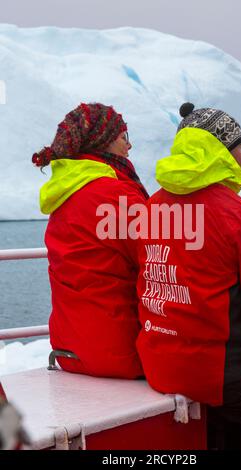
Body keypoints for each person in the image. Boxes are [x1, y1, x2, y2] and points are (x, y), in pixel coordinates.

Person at [136, 103, 241, 446]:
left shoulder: (152, 208)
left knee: (231, 419)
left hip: (162, 367)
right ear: (220, 153)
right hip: (225, 377)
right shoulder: (239, 215)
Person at [33, 102, 148, 379]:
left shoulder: (63, 193)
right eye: (124, 137)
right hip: (120, 353)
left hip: (69, 353)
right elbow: (160, 260)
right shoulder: (115, 195)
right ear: (104, 141)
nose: (129, 147)